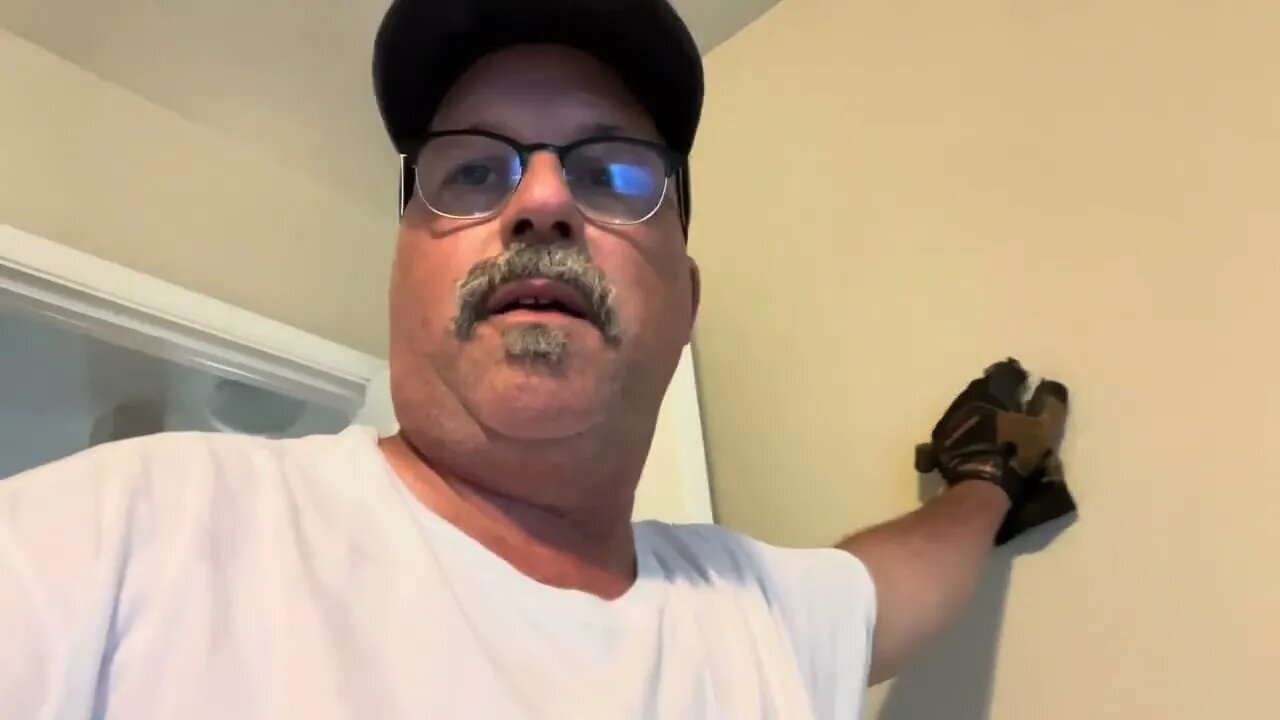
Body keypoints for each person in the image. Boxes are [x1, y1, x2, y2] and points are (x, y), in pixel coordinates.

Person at [0, 1, 1075, 718]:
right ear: (399, 273)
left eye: (612, 177)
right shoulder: (131, 539)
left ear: (686, 297)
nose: (543, 201)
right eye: (471, 173)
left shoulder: (754, 618)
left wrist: (983, 478)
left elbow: (902, 585)